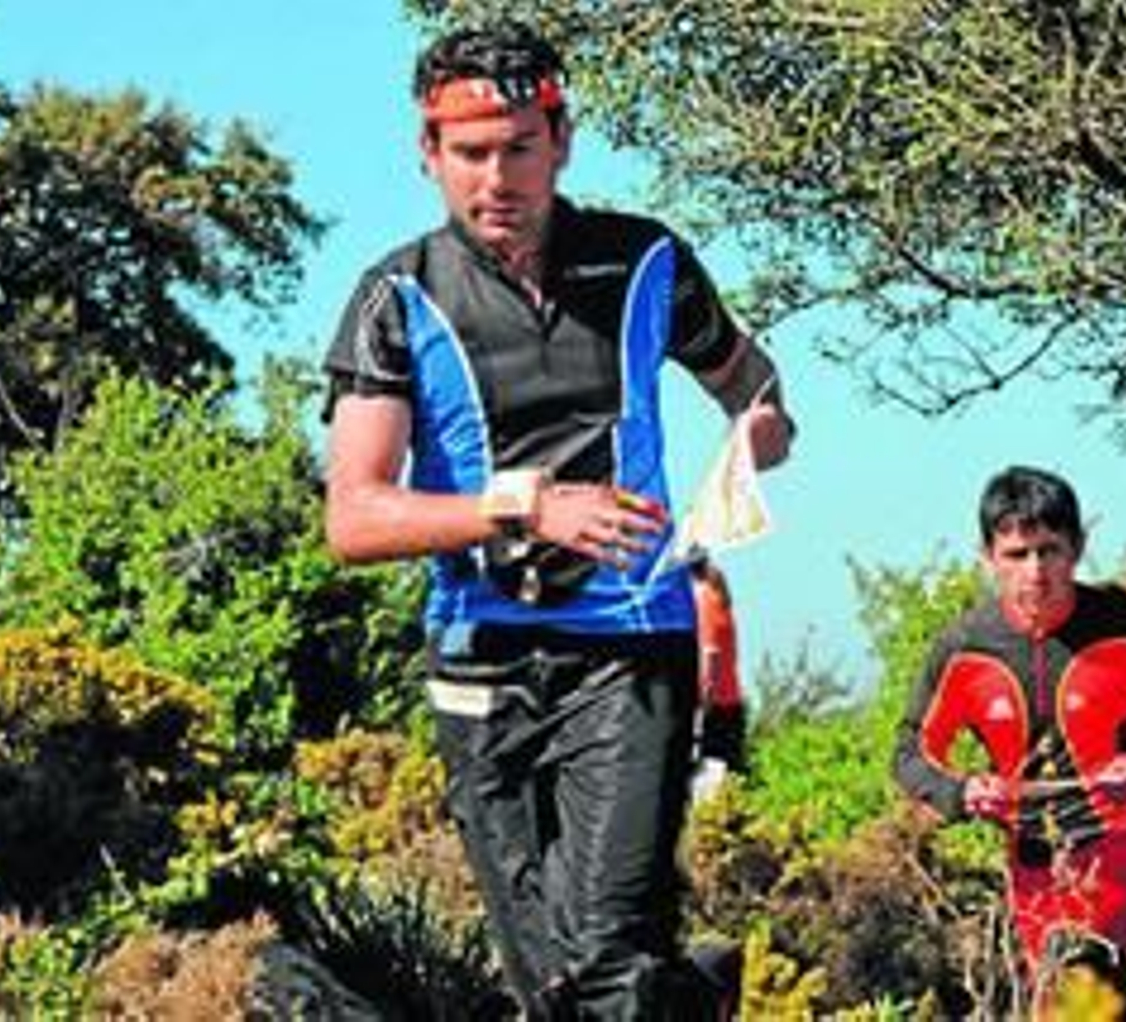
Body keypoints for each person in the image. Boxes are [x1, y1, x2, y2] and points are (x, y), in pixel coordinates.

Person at [321, 23, 793, 1019]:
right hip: (479, 657)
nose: (497, 179)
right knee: (552, 983)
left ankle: (669, 986)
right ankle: (696, 992)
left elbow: (749, 379)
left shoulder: (646, 259)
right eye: (470, 153)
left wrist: (758, 427)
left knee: (608, 958)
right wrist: (522, 502)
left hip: (631, 646)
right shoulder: (394, 297)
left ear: (561, 138)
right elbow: (354, 515)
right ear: (428, 153)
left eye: (519, 148)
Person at [893, 466, 1126, 1018]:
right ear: (987, 557)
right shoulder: (964, 647)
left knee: (1080, 975)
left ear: (1077, 548)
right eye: (1017, 554)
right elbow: (910, 754)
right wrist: (963, 789)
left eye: (1050, 551)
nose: (1036, 572)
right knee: (1062, 997)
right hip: (1034, 872)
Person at [689, 556, 747, 793]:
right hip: (730, 699)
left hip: (715, 705)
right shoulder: (721, 599)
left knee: (709, 781)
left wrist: (701, 704)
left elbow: (708, 656)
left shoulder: (704, 600)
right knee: (729, 777)